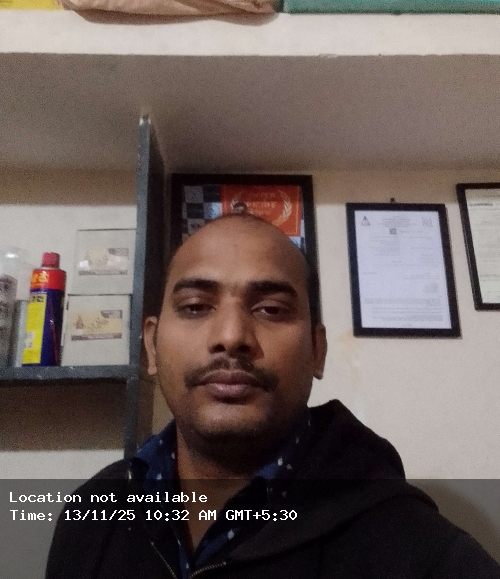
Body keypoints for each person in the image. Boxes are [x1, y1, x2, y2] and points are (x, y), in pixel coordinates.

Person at [47, 213, 500, 579]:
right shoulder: (89, 518)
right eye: (195, 307)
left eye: (270, 309)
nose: (231, 336)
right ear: (151, 345)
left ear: (317, 351)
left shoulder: (420, 552)